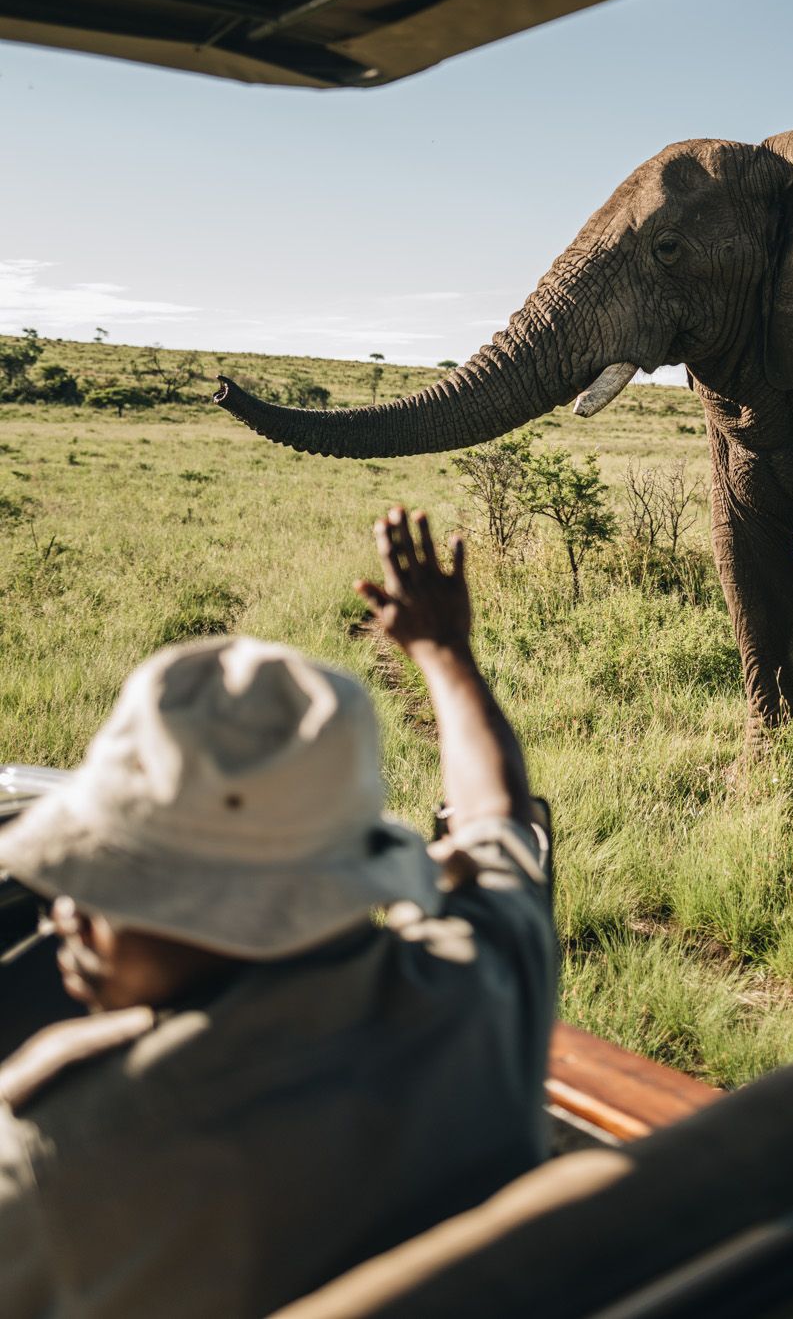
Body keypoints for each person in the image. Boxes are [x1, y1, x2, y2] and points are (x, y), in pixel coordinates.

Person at [0, 508, 554, 1319]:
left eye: (107, 881)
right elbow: (497, 821)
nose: (64, 914)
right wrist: (443, 650)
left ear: (210, 913)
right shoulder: (481, 987)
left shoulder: (60, 1159)